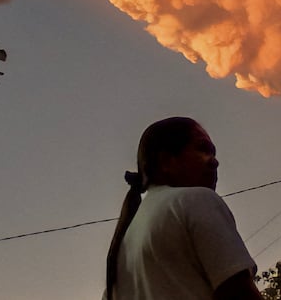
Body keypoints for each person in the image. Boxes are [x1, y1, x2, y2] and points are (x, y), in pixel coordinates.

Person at [104, 117, 263, 300]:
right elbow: (238, 293)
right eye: (202, 149)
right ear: (166, 162)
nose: (214, 161)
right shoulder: (196, 200)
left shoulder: (117, 258)